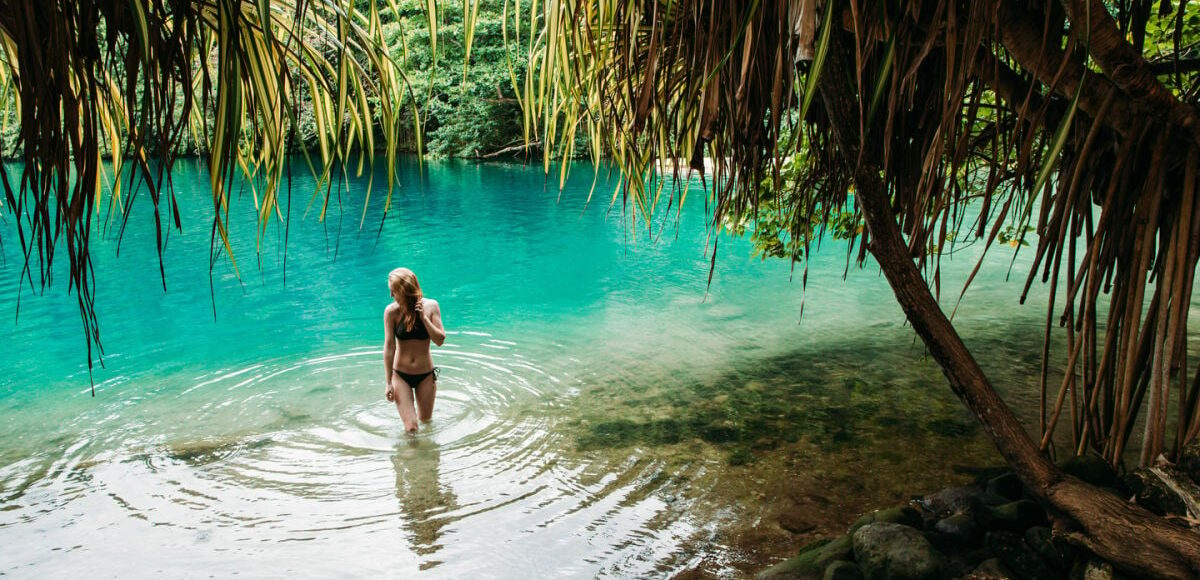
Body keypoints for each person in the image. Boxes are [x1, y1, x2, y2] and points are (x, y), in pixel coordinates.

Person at [384, 267, 446, 433]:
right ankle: (408, 457)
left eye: (394, 291)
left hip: (425, 375)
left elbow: (440, 340)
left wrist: (423, 318)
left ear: (404, 290)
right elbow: (390, 347)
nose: (391, 296)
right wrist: (388, 382)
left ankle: (425, 458)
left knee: (426, 423)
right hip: (400, 375)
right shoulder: (391, 312)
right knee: (411, 427)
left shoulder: (431, 306)